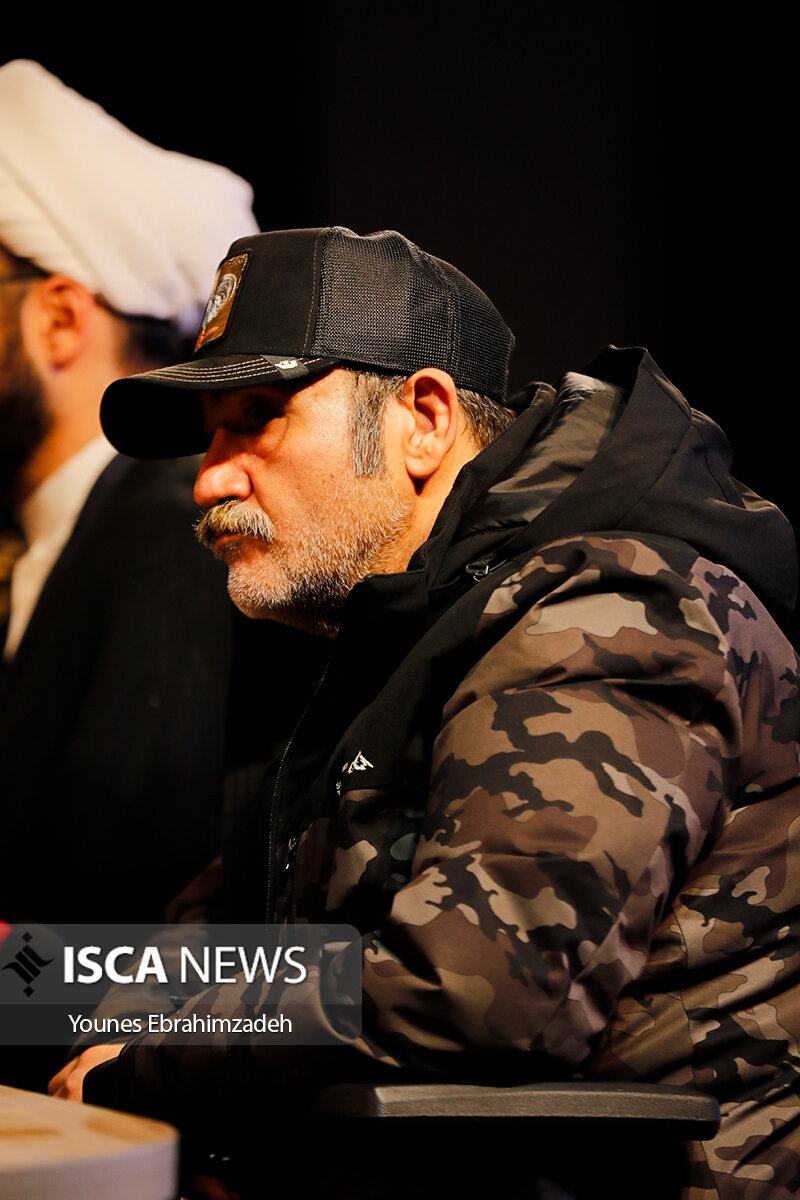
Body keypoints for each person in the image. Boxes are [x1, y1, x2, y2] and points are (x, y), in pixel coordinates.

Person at [62, 227, 800, 1198]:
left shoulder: (607, 610)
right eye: (210, 437)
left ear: (422, 419)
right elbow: (231, 933)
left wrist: (140, 1073)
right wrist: (38, 989)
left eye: (258, 419)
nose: (210, 479)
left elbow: (478, 988)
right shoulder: (395, 629)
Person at [0, 59, 260, 940]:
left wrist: (15, 983)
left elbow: (137, 946)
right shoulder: (63, 531)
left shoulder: (169, 530)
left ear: (59, 319)